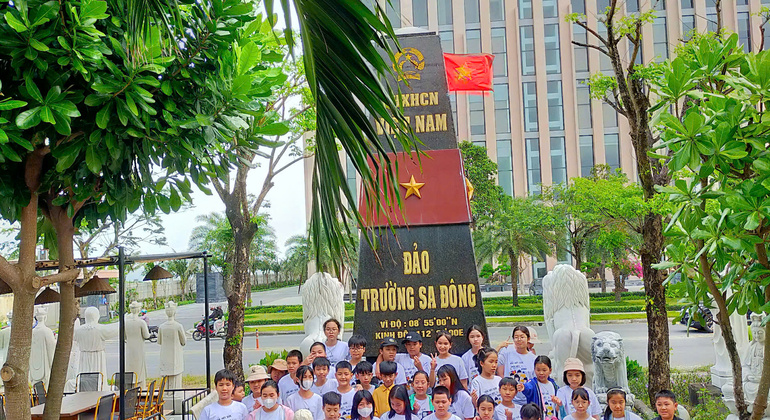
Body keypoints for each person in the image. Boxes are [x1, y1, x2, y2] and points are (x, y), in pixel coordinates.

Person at [497, 327, 536, 406]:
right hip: (510, 400)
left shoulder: (533, 358)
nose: (519, 339)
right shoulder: (507, 353)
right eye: (516, 337)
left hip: (527, 400)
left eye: (522, 337)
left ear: (528, 339)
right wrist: (499, 346)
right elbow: (491, 359)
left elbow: (534, 381)